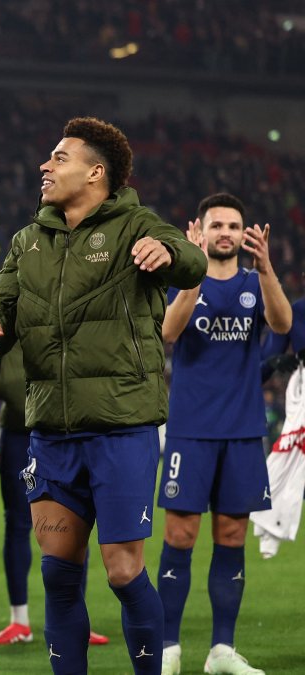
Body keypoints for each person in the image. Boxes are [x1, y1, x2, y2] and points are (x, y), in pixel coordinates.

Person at [0, 116, 208, 675]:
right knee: (58, 573)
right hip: (51, 431)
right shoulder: (28, 241)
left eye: (59, 157)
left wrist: (166, 251)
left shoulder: (136, 225)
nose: (45, 166)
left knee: (123, 572)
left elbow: (193, 261)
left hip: (120, 428)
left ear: (96, 173)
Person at [156, 192, 288, 675]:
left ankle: (221, 652)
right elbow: (168, 333)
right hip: (190, 430)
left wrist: (267, 268)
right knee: (180, 535)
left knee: (232, 536)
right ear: (201, 231)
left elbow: (282, 323)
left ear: (243, 233)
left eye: (234, 225)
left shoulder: (255, 283)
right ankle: (168, 648)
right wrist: (191, 274)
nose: (226, 233)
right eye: (217, 225)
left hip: (242, 431)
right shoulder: (182, 282)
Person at [0, 349, 112, 649]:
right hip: (19, 425)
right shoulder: (8, 316)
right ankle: (19, 621)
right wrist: (8, 388)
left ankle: (76, 619)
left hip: (66, 426)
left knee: (76, 520)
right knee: (17, 523)